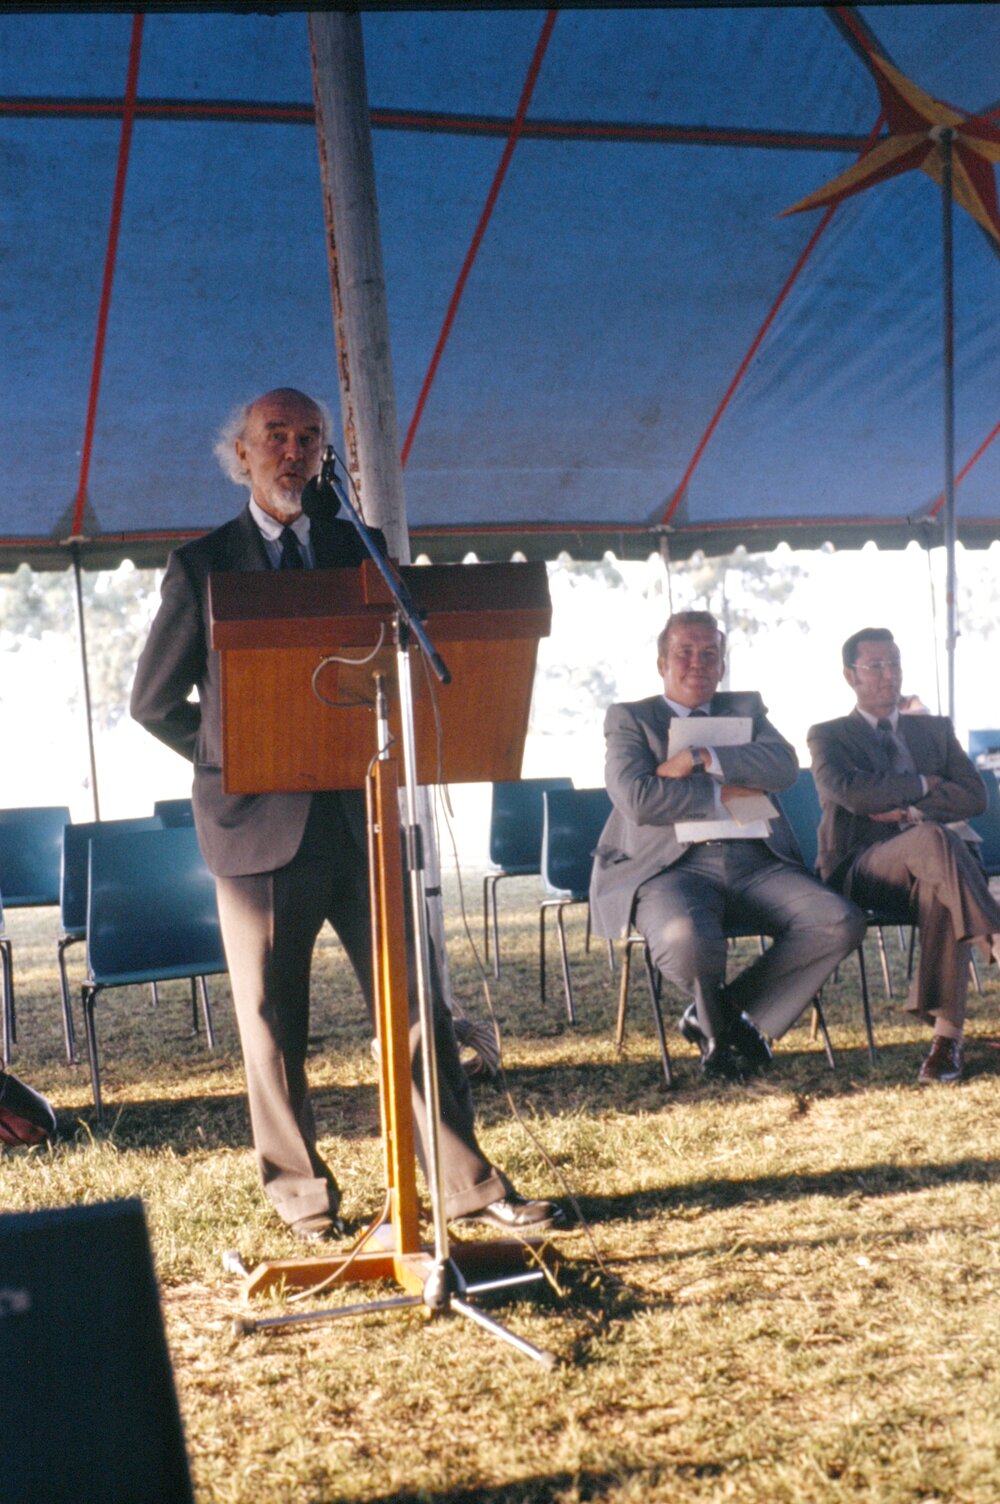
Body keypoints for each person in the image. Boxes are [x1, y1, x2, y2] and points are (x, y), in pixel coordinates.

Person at [131, 387, 561, 1239]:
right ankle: (303, 1200)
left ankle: (469, 1188)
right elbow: (153, 702)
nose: (294, 452)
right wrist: (238, 757)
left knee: (412, 1005)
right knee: (271, 1020)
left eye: (310, 439)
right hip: (258, 829)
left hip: (363, 816)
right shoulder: (202, 564)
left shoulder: (360, 552)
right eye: (276, 437)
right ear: (242, 455)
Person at [590, 610, 865, 1081]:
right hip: (670, 869)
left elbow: (781, 768)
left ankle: (719, 1016)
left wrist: (701, 758)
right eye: (685, 652)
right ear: (662, 663)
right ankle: (724, 1031)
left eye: (710, 655)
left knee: (839, 920)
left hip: (756, 861)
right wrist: (728, 788)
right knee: (686, 941)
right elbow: (638, 799)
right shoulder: (630, 719)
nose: (698, 663)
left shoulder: (746, 709)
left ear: (721, 666)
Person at [808, 626, 1000, 1084]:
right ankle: (995, 936)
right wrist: (925, 784)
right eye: (875, 666)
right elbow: (853, 794)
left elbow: (975, 796)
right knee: (934, 840)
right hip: (864, 865)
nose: (888, 675)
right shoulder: (828, 736)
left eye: (894, 663)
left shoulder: (933, 730)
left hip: (938, 869)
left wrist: (910, 808)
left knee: (940, 878)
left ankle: (946, 1042)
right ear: (850, 675)